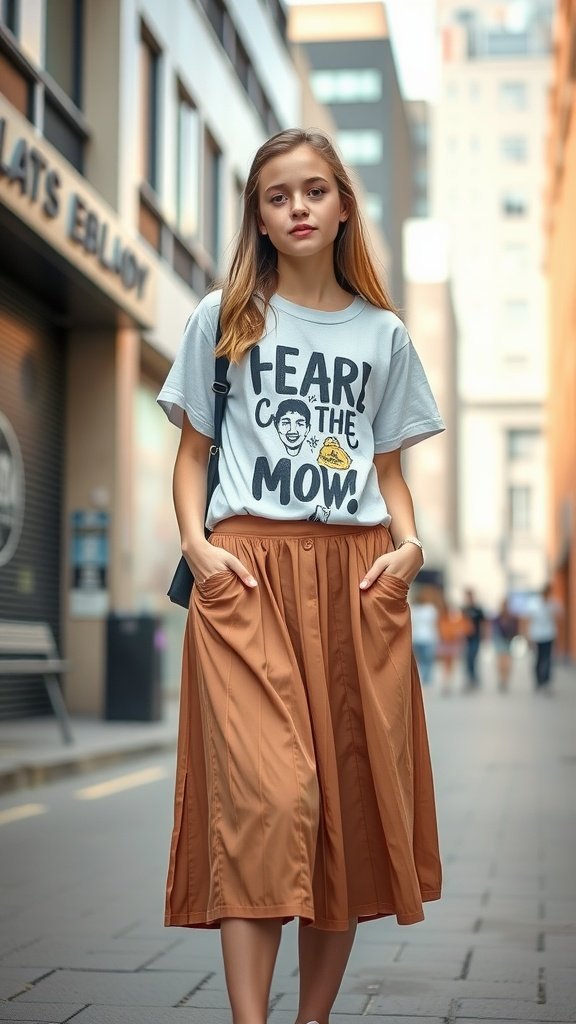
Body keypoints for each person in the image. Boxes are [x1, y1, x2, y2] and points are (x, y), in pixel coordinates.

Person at [157, 128, 444, 1024]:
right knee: (269, 801)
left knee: (342, 817)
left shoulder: (382, 333)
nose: (299, 208)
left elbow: (388, 469)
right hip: (247, 579)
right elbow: (190, 455)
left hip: (356, 579)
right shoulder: (224, 316)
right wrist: (200, 551)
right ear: (260, 217)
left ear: (344, 203)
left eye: (315, 190)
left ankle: (309, 1020)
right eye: (277, 197)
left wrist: (413, 548)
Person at [523, 583, 564, 691]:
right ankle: (538, 680)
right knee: (538, 658)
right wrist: (527, 636)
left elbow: (560, 617)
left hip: (549, 634)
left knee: (547, 658)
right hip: (536, 635)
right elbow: (528, 620)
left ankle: (546, 681)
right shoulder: (534, 603)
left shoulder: (553, 603)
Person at [437, 597, 472, 695]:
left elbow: (465, 629)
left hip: (453, 643)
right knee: (448, 665)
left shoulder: (456, 618)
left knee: (451, 664)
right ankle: (447, 683)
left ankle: (449, 683)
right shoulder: (443, 618)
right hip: (448, 643)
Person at [410, 586, 440, 685]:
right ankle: (426, 677)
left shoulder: (413, 609)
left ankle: (423, 676)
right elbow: (435, 623)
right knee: (428, 659)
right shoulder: (430, 609)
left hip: (417, 637)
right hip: (428, 637)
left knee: (421, 659)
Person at [491, 597, 520, 693]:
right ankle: (501, 679)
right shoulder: (497, 618)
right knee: (500, 662)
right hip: (499, 640)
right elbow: (493, 629)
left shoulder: (512, 618)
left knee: (507, 662)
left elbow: (516, 629)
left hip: (509, 641)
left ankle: (505, 680)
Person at [461, 588, 486, 689]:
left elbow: (484, 623)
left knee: (472, 657)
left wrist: (485, 635)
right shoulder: (463, 609)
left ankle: (474, 677)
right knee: (467, 658)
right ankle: (471, 678)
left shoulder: (478, 609)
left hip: (476, 637)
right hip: (466, 638)